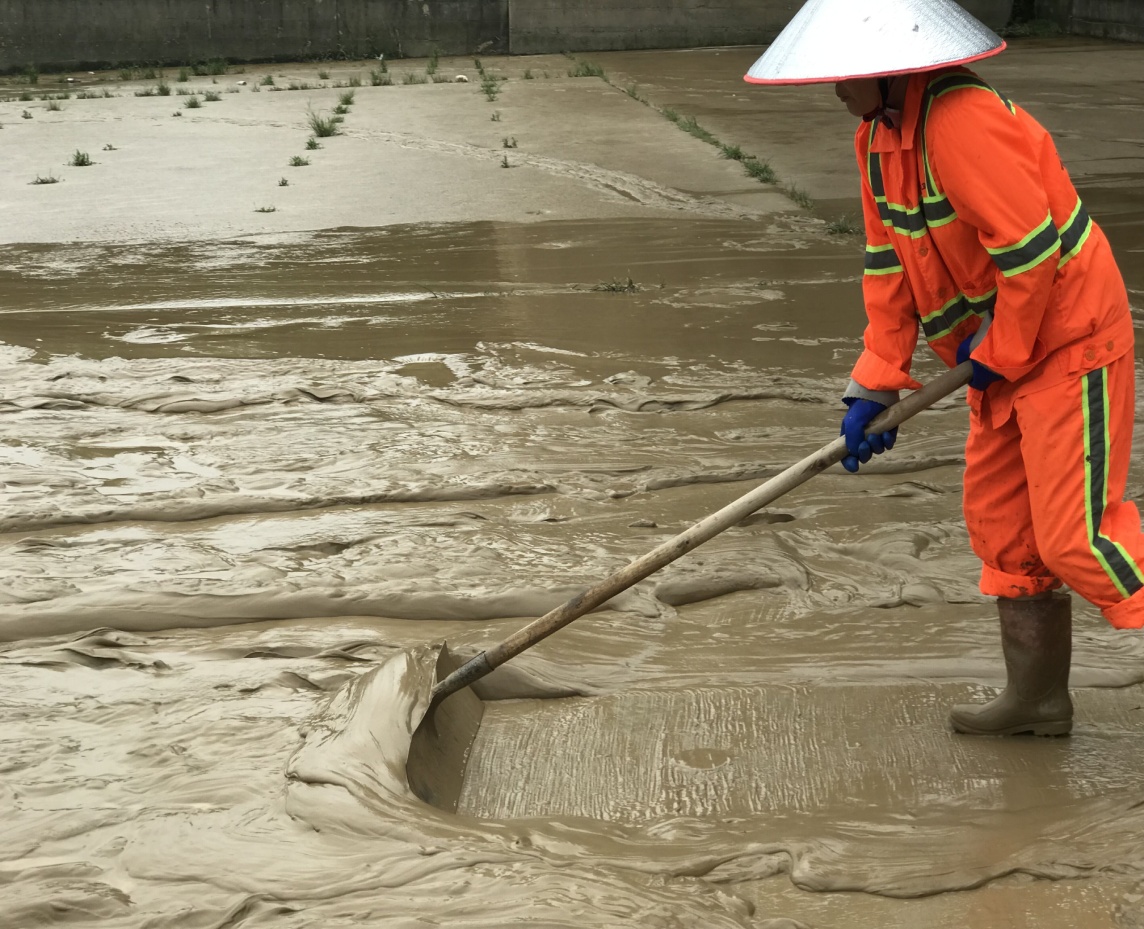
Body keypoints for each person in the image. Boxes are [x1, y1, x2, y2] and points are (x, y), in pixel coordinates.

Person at [744, 0, 1143, 736]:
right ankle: (1038, 701)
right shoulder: (876, 140)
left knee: (1075, 538)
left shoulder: (962, 121)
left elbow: (1031, 253)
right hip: (1001, 354)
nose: (833, 88)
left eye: (843, 73)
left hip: (1068, 340)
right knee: (1005, 531)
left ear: (887, 68)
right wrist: (873, 383)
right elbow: (888, 268)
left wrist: (1000, 351)